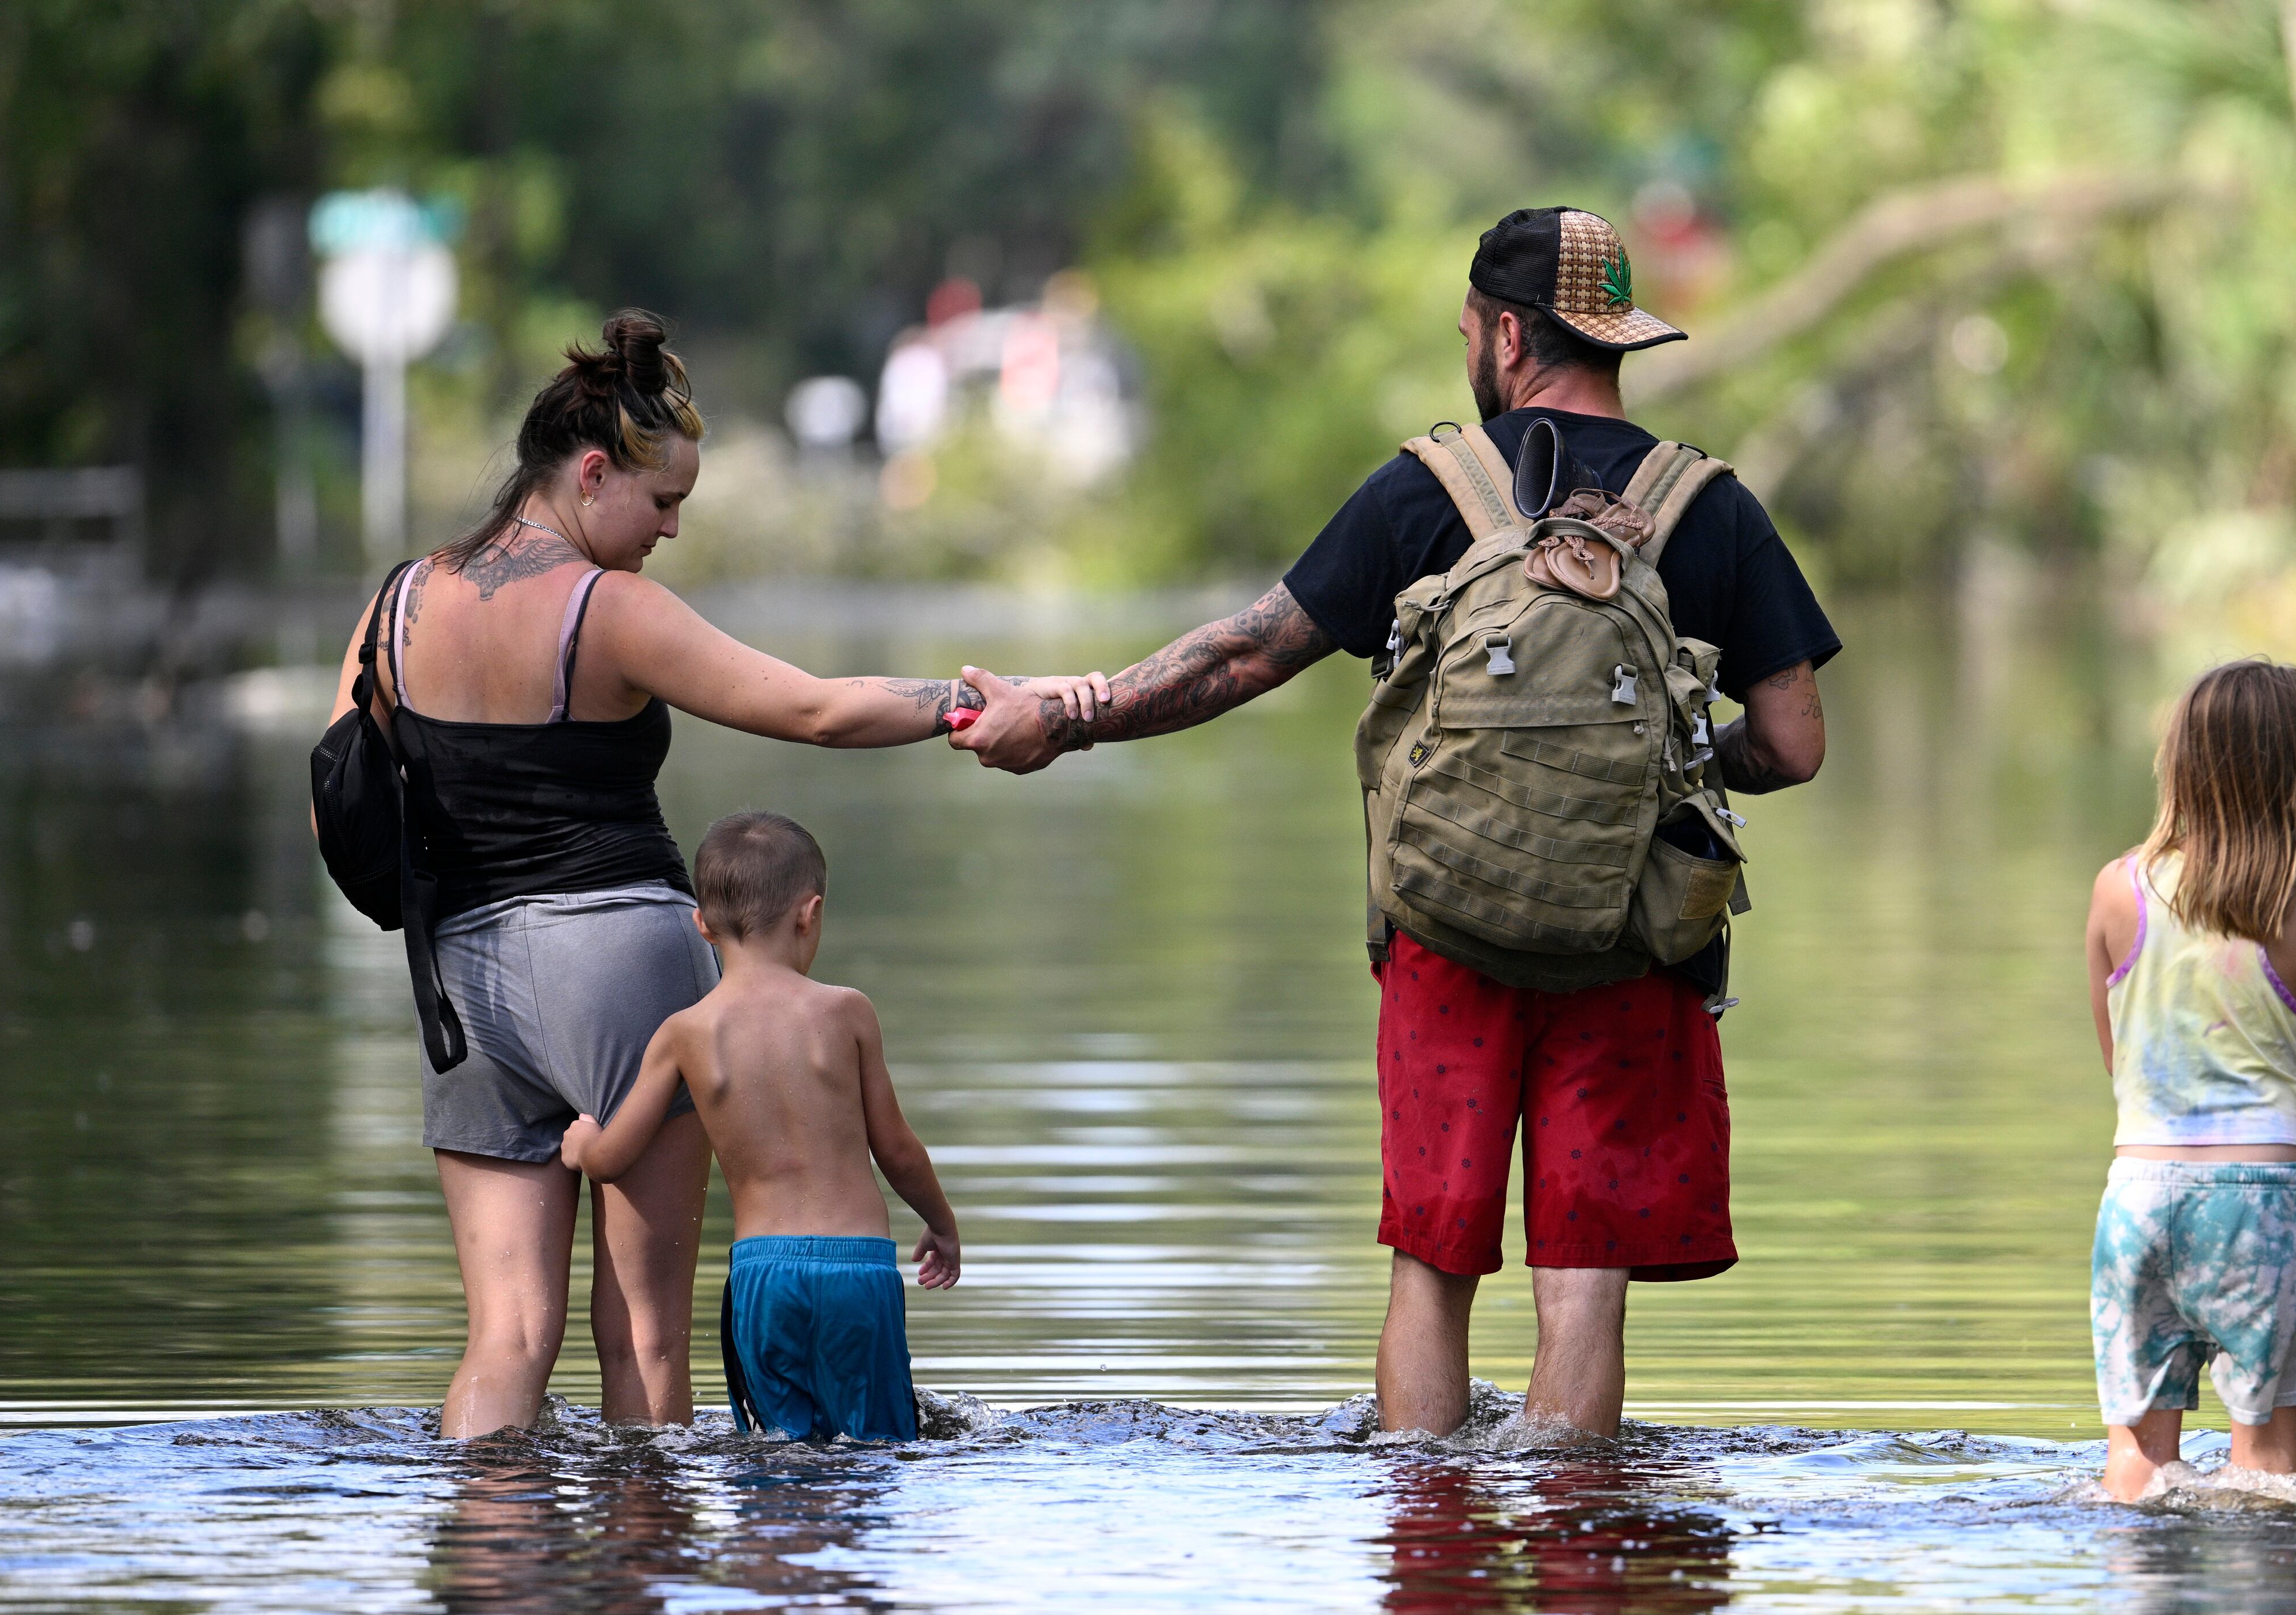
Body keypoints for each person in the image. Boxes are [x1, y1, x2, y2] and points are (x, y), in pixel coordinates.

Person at [951, 207, 1840, 1437]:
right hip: (1633, 943)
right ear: (1615, 336)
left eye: (1473, 329)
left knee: (1432, 1262)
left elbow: (1243, 655)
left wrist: (1070, 711)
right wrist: (1669, 768)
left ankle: (1429, 1527)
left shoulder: (1429, 491)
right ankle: (1577, 1531)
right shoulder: (1708, 505)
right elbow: (1794, 742)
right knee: (1582, 1285)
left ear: (1509, 335)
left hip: (1444, 940)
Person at [322, 313, 1090, 1440]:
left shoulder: (396, 604)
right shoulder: (608, 607)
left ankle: (488, 1572)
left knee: (505, 1335)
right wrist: (980, 699)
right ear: (591, 473)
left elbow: (334, 798)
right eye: (661, 500)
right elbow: (814, 708)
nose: (671, 528)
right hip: (621, 966)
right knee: (639, 1329)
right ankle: (643, 1575)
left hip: (460, 985)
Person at [2082, 658, 2296, 1500]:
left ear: (2183, 764)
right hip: (2259, 1206)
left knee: (2137, 1467)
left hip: (2138, 1198)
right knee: (2266, 1478)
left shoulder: (2115, 892)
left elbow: (2119, 1065)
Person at [562, 811, 957, 1444]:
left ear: (701, 925)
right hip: (856, 1270)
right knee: (877, 1447)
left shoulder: (685, 1032)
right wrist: (940, 1222)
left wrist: (581, 1143)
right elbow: (898, 1150)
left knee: (777, 1456)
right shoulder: (847, 1011)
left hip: (763, 1273)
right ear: (810, 913)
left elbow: (612, 1158)